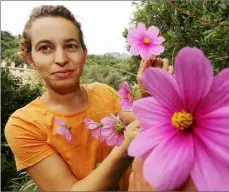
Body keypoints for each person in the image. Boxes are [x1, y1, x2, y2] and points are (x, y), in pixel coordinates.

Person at [4, 4, 175, 191]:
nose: (61, 59)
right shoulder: (24, 124)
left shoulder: (102, 92)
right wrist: (125, 149)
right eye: (45, 48)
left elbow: (150, 125)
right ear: (30, 59)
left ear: (84, 54)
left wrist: (149, 92)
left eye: (70, 46)